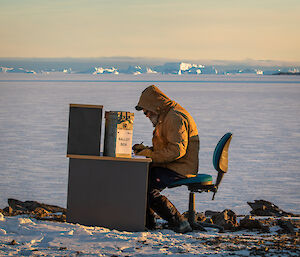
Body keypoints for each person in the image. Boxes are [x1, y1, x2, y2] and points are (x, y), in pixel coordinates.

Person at [133, 85, 199, 233]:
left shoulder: (174, 118)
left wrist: (148, 155)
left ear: (155, 107)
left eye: (147, 112)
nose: (146, 115)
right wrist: (146, 150)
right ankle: (147, 224)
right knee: (141, 180)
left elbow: (176, 151)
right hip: (173, 164)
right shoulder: (166, 116)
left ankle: (179, 223)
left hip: (180, 167)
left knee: (144, 187)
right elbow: (166, 148)